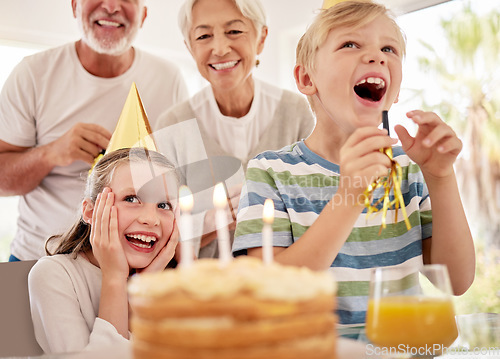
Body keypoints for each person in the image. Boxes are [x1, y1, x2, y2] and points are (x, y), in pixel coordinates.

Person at [233, 0, 475, 335]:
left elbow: (456, 280)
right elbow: (268, 292)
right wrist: (349, 196)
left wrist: (441, 177)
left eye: (388, 48)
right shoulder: (270, 172)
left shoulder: (409, 169)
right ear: (306, 78)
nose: (377, 56)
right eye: (350, 44)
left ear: (397, 89)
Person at [0, 0, 188, 261]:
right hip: (38, 258)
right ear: (75, 6)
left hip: (135, 268)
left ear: (144, 15)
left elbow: (178, 188)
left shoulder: (169, 79)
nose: (111, 6)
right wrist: (51, 153)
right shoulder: (32, 74)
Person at [154, 0, 315, 258]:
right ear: (190, 47)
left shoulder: (297, 112)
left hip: (281, 286)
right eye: (204, 36)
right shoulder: (173, 125)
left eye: (234, 31)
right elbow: (154, 227)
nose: (220, 48)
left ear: (261, 38)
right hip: (202, 290)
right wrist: (213, 220)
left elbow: (316, 211)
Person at [28, 148, 179, 354]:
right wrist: (114, 278)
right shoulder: (54, 275)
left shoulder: (176, 283)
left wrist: (143, 289)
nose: (151, 219)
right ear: (90, 211)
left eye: (164, 204)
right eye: (132, 199)